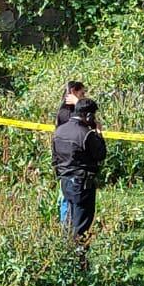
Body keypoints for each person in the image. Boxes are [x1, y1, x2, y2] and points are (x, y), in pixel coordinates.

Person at [52, 98, 106, 238]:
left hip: (65, 181)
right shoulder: (86, 134)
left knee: (68, 221)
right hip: (82, 184)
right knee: (81, 224)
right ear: (89, 116)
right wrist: (99, 134)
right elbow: (100, 154)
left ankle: (66, 254)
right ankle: (80, 257)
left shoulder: (59, 131)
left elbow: (55, 158)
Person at [55, 81, 86, 224]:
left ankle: (70, 231)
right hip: (69, 163)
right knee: (67, 200)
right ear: (73, 91)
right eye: (82, 93)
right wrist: (78, 102)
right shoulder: (66, 113)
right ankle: (67, 232)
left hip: (68, 162)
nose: (84, 97)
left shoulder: (70, 111)